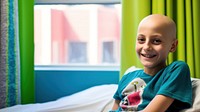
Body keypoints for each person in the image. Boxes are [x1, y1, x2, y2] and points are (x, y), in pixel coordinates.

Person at [111, 14, 192, 112]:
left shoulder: (176, 70)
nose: (146, 47)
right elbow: (114, 108)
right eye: (141, 40)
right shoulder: (127, 77)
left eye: (156, 41)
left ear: (173, 46)